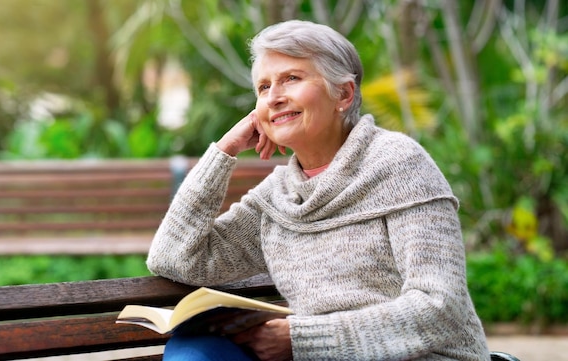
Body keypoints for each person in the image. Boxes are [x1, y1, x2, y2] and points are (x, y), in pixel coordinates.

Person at [147, 19, 490, 361]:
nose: (274, 98)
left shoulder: (399, 165)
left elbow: (440, 308)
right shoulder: (278, 197)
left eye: (291, 79)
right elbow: (175, 260)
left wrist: (302, 339)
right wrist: (223, 152)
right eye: (263, 88)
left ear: (343, 93)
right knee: (193, 352)